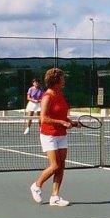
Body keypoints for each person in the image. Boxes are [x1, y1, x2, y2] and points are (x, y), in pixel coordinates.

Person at [30, 67, 79, 207]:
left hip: (61, 135)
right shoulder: (47, 96)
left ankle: (55, 197)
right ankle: (36, 185)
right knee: (55, 165)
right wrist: (62, 123)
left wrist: (71, 122)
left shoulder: (60, 94)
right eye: (62, 78)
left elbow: (62, 116)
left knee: (61, 165)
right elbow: (43, 118)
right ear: (56, 80)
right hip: (49, 135)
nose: (64, 80)